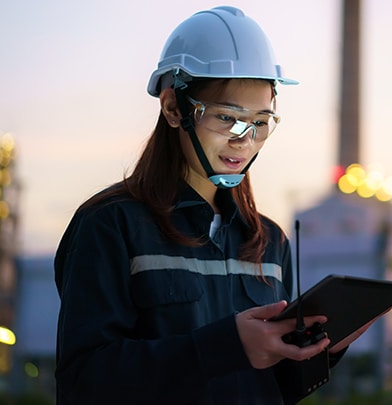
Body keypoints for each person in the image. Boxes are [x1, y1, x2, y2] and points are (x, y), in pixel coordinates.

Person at [54, 6, 374, 404]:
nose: (245, 140)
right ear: (173, 108)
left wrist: (324, 346)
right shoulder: (110, 225)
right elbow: (83, 381)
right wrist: (223, 348)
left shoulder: (268, 241)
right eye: (227, 118)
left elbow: (275, 387)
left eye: (260, 122)